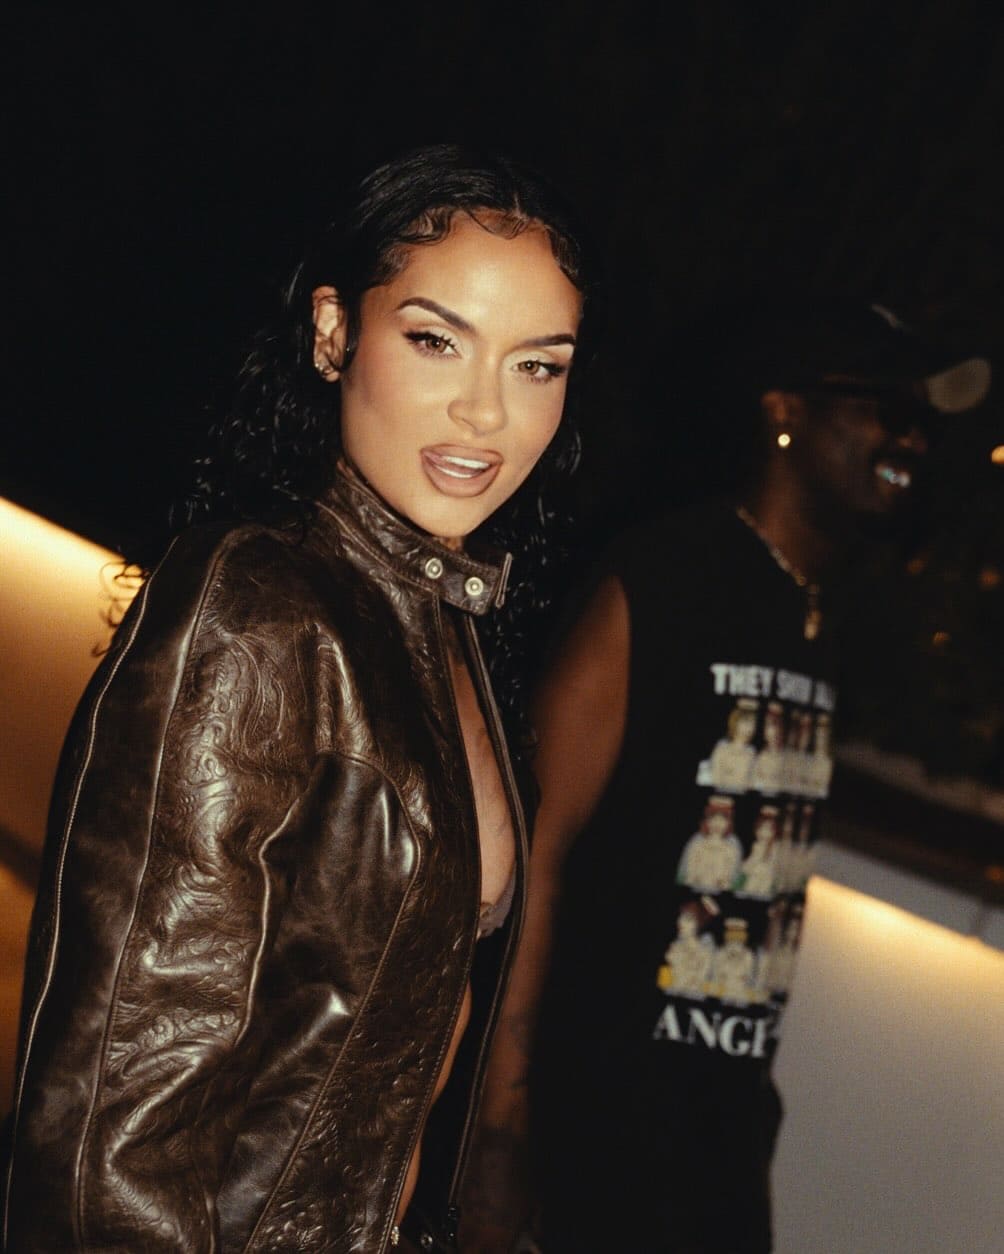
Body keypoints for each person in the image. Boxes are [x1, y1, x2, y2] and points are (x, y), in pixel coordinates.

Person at [1, 144, 593, 1253]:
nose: (484, 413)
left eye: (536, 365)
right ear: (332, 333)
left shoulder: (444, 615)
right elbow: (115, 1119)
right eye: (434, 341)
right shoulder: (257, 607)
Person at [460, 300, 989, 1252]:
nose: (911, 437)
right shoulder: (664, 577)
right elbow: (533, 849)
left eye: (922, 419)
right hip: (599, 1127)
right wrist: (500, 1130)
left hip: (719, 1139)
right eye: (884, 407)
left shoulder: (816, 613)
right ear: (784, 410)